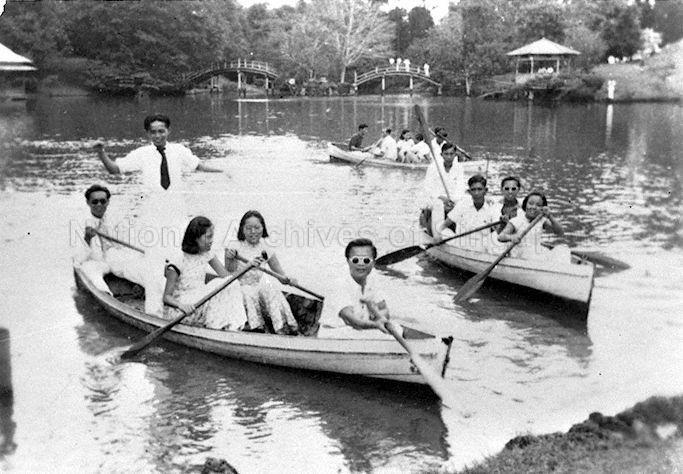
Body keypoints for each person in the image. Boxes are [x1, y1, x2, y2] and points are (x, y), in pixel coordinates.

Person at [93, 114, 222, 313]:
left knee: (183, 262)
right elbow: (114, 169)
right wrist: (101, 153)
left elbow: (200, 166)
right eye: (153, 132)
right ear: (148, 133)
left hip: (177, 218)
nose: (158, 135)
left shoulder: (179, 151)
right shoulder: (142, 154)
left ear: (168, 131)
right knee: (153, 270)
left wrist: (224, 172)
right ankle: (154, 313)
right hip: (153, 221)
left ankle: (186, 307)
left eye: (161, 131)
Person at [163, 216, 247, 330]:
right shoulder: (178, 261)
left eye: (212, 236)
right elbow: (166, 297)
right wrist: (182, 306)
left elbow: (228, 278)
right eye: (208, 237)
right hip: (183, 310)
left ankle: (232, 326)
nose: (212, 240)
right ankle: (216, 327)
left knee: (231, 283)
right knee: (218, 284)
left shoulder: (207, 254)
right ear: (195, 238)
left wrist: (240, 263)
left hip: (200, 301)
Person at [75, 184, 155, 302]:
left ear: (108, 202)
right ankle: (106, 296)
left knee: (134, 265)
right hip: (96, 262)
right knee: (88, 270)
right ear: (88, 202)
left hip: (112, 257)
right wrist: (87, 238)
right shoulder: (80, 222)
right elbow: (78, 259)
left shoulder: (115, 219)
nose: (99, 205)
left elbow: (125, 243)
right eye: (95, 202)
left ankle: (152, 288)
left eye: (103, 201)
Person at [225, 211, 299, 335]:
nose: (253, 232)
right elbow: (228, 274)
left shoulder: (266, 249)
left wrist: (290, 280)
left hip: (256, 289)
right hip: (238, 289)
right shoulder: (234, 247)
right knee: (248, 292)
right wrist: (233, 259)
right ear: (242, 229)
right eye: (249, 228)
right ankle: (255, 327)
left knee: (271, 289)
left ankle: (282, 328)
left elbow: (281, 276)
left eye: (257, 228)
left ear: (263, 228)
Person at [318, 238, 396, 339]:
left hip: (359, 331)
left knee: (397, 329)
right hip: (335, 334)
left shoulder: (374, 280)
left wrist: (378, 315)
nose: (361, 264)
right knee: (390, 336)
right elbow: (354, 322)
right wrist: (377, 324)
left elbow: (384, 310)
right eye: (355, 260)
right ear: (348, 261)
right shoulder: (339, 284)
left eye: (366, 260)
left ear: (373, 262)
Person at [498, 192, 570, 263]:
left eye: (538, 205)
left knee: (563, 249)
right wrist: (512, 237)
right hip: (520, 256)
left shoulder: (542, 220)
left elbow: (560, 232)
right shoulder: (516, 221)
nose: (533, 207)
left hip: (537, 252)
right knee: (533, 255)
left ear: (542, 208)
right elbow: (500, 237)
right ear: (525, 205)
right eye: (530, 203)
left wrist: (550, 216)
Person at [436, 175, 499, 252]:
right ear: (469, 192)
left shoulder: (492, 207)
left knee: (496, 237)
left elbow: (498, 230)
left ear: (485, 190)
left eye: (479, 189)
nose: (476, 193)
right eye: (473, 190)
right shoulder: (462, 205)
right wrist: (438, 236)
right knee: (442, 231)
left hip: (482, 248)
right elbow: (444, 225)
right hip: (460, 246)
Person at [420, 143, 467, 233]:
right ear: (441, 154)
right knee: (438, 205)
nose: (449, 157)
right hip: (436, 198)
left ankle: (459, 233)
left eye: (451, 154)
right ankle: (437, 232)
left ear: (455, 155)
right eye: (446, 154)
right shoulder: (433, 167)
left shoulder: (459, 168)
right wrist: (442, 198)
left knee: (464, 204)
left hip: (452, 199)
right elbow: (428, 187)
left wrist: (452, 200)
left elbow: (460, 188)